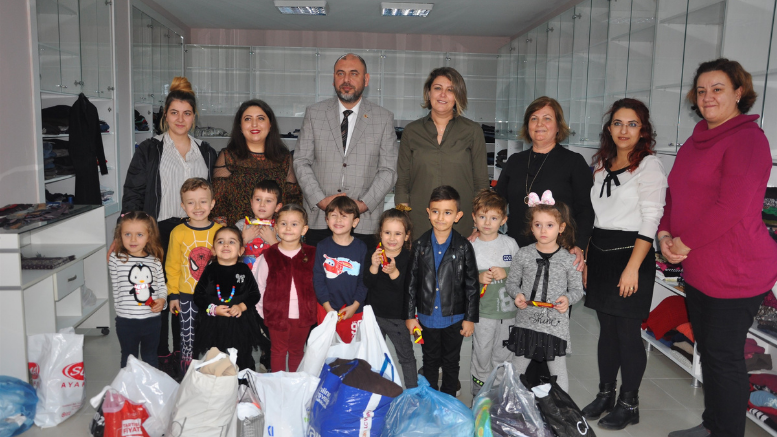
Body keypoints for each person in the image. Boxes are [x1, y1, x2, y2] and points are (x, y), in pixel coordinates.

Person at [660, 58, 777, 437]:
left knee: (724, 358)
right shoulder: (696, 140)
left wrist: (683, 243)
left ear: (739, 93)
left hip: (736, 271)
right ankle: (713, 425)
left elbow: (732, 206)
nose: (707, 97)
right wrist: (664, 235)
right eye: (701, 90)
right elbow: (674, 194)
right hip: (699, 267)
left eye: (718, 89)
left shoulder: (748, 140)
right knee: (708, 352)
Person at [579, 98, 667, 430]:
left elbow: (651, 219)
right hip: (600, 253)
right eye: (618, 123)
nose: (624, 130)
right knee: (607, 331)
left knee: (627, 333)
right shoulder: (602, 165)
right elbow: (595, 218)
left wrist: (632, 268)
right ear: (609, 127)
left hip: (632, 253)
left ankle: (629, 403)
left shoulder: (649, 166)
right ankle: (606, 394)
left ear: (643, 130)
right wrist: (588, 259)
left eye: (632, 124)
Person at [121, 76, 217, 376]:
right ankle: (161, 355)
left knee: (188, 293)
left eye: (187, 113)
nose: (180, 119)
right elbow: (134, 191)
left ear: (194, 116)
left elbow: (214, 193)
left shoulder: (206, 151)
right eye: (174, 112)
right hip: (159, 231)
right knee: (161, 294)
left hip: (194, 232)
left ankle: (185, 353)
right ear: (165, 115)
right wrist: (132, 232)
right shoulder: (150, 149)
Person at [294, 53, 398, 248]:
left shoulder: (383, 118)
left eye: (354, 74)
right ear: (333, 79)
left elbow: (388, 170)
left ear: (366, 79)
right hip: (321, 218)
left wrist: (362, 205)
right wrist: (321, 201)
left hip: (364, 221)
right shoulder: (314, 114)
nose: (346, 80)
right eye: (340, 73)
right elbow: (301, 162)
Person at [494, 96, 593, 267]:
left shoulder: (574, 162)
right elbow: (496, 202)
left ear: (558, 126)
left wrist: (580, 245)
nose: (539, 124)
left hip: (558, 254)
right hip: (517, 251)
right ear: (528, 126)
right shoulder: (515, 161)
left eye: (547, 118)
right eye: (534, 119)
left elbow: (586, 210)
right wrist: (481, 230)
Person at [395, 66, 489, 237]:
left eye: (450, 90)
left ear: (458, 95)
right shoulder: (411, 131)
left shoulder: (473, 131)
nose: (443, 95)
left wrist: (479, 221)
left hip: (461, 222)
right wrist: (402, 219)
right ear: (428, 92)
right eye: (438, 88)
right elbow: (402, 181)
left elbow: (481, 182)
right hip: (419, 222)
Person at [504, 191, 583, 393]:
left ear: (561, 228)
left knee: (558, 371)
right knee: (517, 367)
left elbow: (578, 290)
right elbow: (511, 283)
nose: (543, 230)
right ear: (531, 227)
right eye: (538, 225)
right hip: (526, 322)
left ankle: (561, 407)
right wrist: (517, 295)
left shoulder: (569, 259)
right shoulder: (523, 254)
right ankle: (511, 402)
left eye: (549, 225)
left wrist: (568, 299)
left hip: (555, 325)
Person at [405, 185, 479, 397]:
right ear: (428, 213)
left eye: (447, 212)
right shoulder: (419, 246)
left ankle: (449, 402)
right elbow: (410, 284)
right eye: (436, 211)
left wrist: (470, 318)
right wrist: (410, 316)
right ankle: (431, 402)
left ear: (458, 216)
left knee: (451, 362)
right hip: (427, 318)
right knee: (429, 361)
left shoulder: (464, 247)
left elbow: (472, 285)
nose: (440, 218)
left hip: (454, 318)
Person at [212, 99, 301, 227]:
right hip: (238, 233)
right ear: (240, 126)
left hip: (275, 234)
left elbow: (293, 199)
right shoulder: (228, 156)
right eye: (248, 119)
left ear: (270, 125)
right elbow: (218, 203)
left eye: (261, 118)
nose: (254, 124)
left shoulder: (283, 157)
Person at [166, 178, 222, 374]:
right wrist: (173, 294)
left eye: (203, 201)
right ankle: (186, 377)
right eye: (191, 202)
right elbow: (172, 265)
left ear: (212, 203)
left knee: (215, 338)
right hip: (187, 296)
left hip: (213, 296)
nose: (197, 207)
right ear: (183, 206)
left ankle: (213, 376)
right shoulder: (178, 232)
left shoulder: (219, 232)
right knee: (187, 339)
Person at [469, 189, 520, 397]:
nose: (487, 223)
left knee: (503, 354)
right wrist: (478, 276)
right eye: (482, 217)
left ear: (503, 220)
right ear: (474, 218)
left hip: (508, 315)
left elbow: (522, 273)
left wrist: (507, 272)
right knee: (481, 353)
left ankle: (499, 393)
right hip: (483, 314)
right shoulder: (470, 246)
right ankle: (479, 393)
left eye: (493, 218)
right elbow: (461, 277)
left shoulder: (510, 244)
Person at [253, 204, 317, 372]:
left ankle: (294, 383)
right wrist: (263, 311)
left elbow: (320, 284)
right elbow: (259, 286)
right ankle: (277, 384)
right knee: (278, 351)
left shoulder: (313, 254)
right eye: (283, 223)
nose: (288, 228)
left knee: (297, 351)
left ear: (304, 230)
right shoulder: (268, 256)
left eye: (294, 224)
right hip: (276, 314)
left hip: (304, 314)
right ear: (275, 228)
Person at [193, 226, 262, 371]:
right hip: (214, 322)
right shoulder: (210, 270)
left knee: (242, 354)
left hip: (240, 322)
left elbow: (255, 294)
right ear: (213, 250)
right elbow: (198, 296)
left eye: (231, 242)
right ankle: (218, 380)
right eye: (220, 242)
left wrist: (242, 306)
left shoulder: (244, 270)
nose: (225, 245)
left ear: (241, 250)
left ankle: (242, 380)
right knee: (216, 355)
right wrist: (213, 309)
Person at [364, 208, 418, 388]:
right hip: (375, 316)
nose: (392, 238)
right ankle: (375, 390)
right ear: (380, 233)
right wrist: (373, 266)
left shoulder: (409, 257)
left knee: (406, 356)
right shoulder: (373, 254)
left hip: (398, 318)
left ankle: (412, 392)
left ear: (406, 236)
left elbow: (408, 289)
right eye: (387, 233)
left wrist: (394, 272)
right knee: (373, 356)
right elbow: (367, 283)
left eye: (398, 233)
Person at [108, 211, 167, 368]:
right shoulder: (115, 259)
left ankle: (151, 384)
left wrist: (162, 300)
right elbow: (116, 287)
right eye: (127, 234)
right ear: (120, 236)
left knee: (150, 357)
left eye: (139, 234)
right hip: (126, 322)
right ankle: (127, 384)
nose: (133, 240)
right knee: (129, 358)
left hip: (152, 321)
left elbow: (162, 286)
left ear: (149, 236)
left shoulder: (155, 261)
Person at [313, 196, 369, 343]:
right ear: (327, 220)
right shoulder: (322, 246)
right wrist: (327, 307)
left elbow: (364, 281)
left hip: (353, 309)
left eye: (344, 216)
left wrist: (355, 306)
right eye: (333, 215)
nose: (338, 220)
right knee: (328, 348)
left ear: (355, 222)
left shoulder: (361, 248)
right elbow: (318, 279)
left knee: (352, 348)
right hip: (326, 308)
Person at [235, 180, 282, 270]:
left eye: (268, 201)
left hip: (270, 275)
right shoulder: (241, 225)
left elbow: (287, 258)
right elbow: (228, 253)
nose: (262, 204)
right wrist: (244, 239)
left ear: (277, 207)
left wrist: (272, 241)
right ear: (251, 203)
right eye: (258, 199)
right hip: (244, 274)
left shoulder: (280, 228)